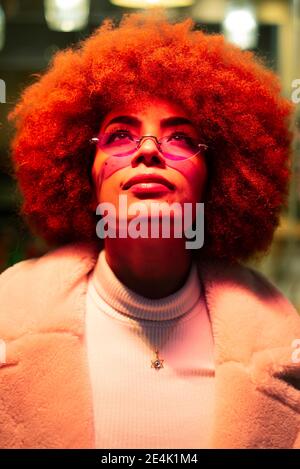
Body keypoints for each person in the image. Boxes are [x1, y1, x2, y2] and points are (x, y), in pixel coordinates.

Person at [1, 8, 300, 449]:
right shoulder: (7, 322)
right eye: (120, 135)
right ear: (85, 170)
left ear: (216, 177)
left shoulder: (282, 344)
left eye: (179, 138)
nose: (147, 151)